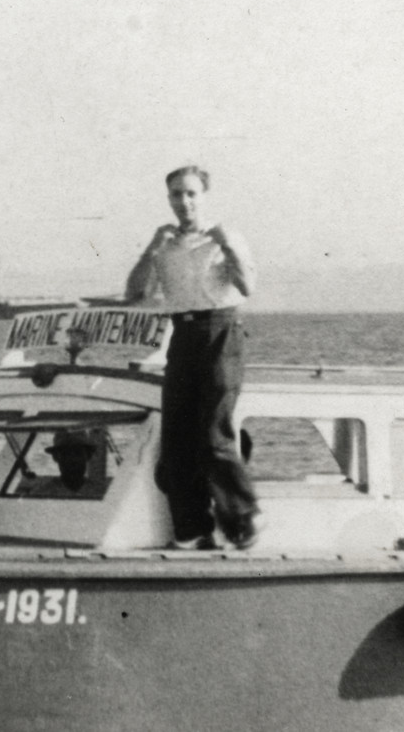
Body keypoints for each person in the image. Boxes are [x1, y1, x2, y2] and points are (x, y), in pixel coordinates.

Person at [123, 164, 261, 550]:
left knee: (214, 433)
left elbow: (247, 286)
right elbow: (133, 294)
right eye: (176, 195)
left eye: (190, 194)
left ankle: (243, 520)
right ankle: (192, 530)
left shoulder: (225, 236)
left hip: (221, 329)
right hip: (182, 334)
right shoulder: (165, 246)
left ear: (204, 196)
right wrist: (150, 250)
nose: (183, 202)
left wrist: (229, 245)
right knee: (177, 439)